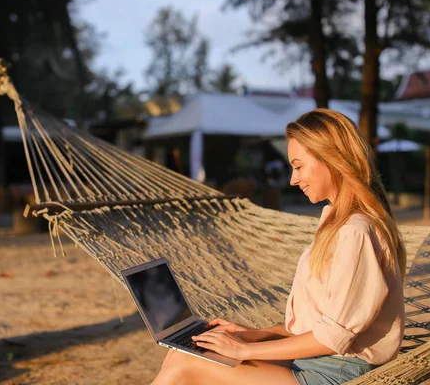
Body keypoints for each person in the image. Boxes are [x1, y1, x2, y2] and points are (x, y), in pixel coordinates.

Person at [152, 109, 407, 385]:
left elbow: (334, 338)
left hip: (336, 374)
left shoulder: (356, 232)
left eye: (298, 166)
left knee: (188, 363)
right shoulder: (337, 222)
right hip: (317, 361)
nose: (292, 180)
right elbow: (318, 328)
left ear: (332, 159)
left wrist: (245, 350)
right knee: (184, 354)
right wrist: (252, 334)